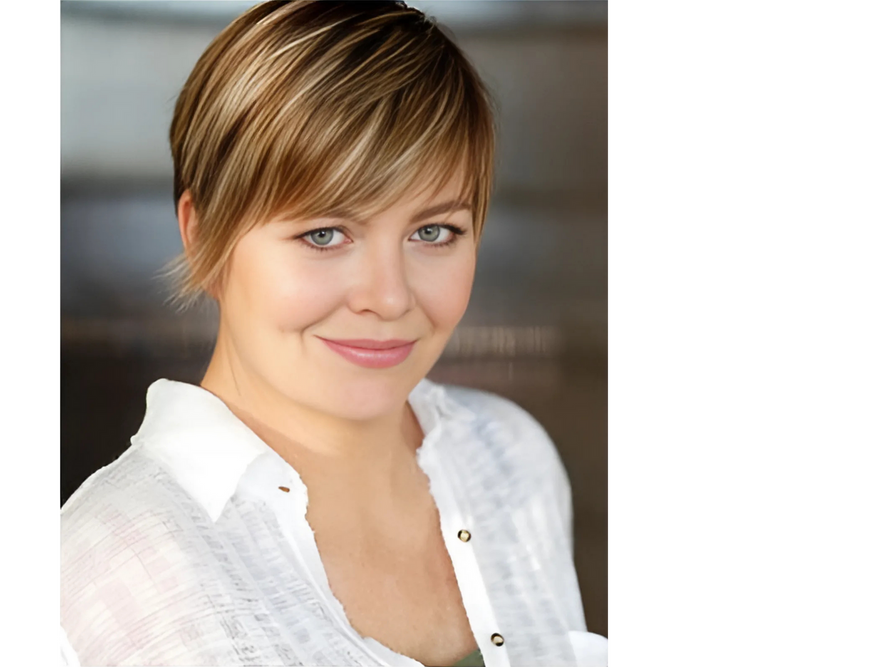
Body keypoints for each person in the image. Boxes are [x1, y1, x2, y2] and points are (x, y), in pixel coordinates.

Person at [58, 2, 610, 666]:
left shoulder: (512, 462)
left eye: (433, 231)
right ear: (203, 234)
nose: (388, 296)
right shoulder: (110, 569)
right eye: (324, 233)